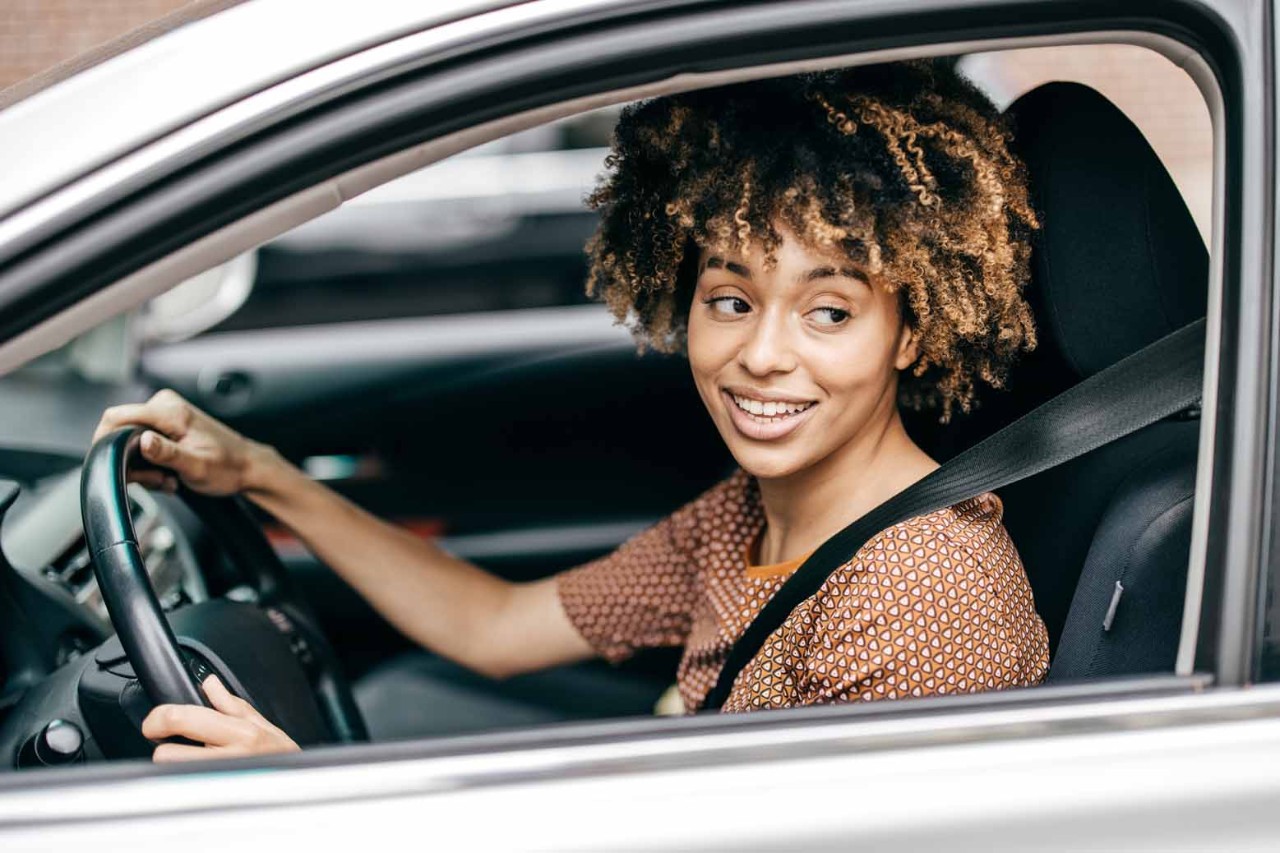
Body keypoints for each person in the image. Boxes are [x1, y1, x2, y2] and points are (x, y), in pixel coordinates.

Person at [94, 59, 1050, 761]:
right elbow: (497, 626)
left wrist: (309, 805)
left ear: (913, 331)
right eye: (731, 299)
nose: (762, 354)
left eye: (829, 311)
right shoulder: (753, 517)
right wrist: (261, 474)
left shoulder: (926, 597)